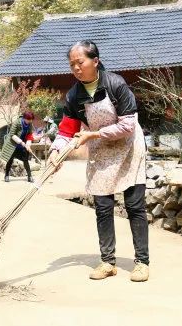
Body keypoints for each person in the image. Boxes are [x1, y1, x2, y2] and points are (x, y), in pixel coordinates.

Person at [48, 40, 149, 282]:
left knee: (135, 206)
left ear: (95, 61)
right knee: (103, 208)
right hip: (102, 152)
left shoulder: (116, 84)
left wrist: (93, 134)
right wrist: (56, 151)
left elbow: (127, 125)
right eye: (72, 64)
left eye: (80, 62)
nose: (76, 68)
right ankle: (108, 262)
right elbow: (66, 130)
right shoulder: (74, 95)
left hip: (129, 147)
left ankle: (142, 262)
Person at [0, 111, 35, 183]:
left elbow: (29, 134)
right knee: (10, 160)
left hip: (22, 146)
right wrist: (21, 142)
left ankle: (29, 176)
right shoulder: (17, 123)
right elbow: (12, 134)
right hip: (13, 145)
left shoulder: (30, 124)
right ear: (25, 118)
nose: (30, 121)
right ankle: (6, 175)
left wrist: (28, 144)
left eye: (31, 119)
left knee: (25, 160)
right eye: (29, 119)